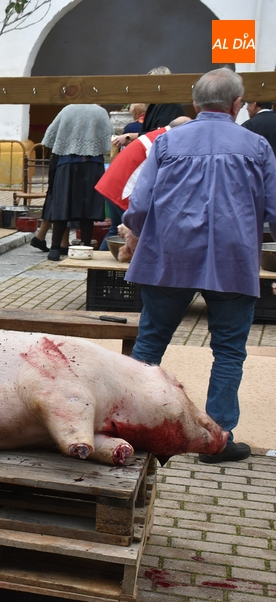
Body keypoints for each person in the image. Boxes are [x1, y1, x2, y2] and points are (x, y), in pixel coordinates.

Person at [121, 68, 276, 463]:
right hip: (233, 259)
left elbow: (139, 204)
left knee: (151, 343)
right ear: (237, 105)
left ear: (194, 103)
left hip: (169, 256)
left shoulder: (168, 143)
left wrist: (134, 235)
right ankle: (218, 438)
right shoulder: (257, 146)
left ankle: (136, 426)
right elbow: (275, 210)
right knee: (228, 351)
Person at [97, 116, 192, 252]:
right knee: (134, 230)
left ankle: (101, 263)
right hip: (124, 187)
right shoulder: (165, 140)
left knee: (116, 229)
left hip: (112, 182)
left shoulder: (157, 135)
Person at [40, 104, 113, 261]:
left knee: (62, 203)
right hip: (93, 164)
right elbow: (109, 140)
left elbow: (49, 136)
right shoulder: (100, 111)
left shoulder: (67, 109)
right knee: (89, 206)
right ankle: (85, 247)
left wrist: (67, 142)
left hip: (67, 163)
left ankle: (54, 249)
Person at [140, 66, 184, 134]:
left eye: (151, 84)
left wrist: (131, 136)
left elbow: (160, 133)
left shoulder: (170, 105)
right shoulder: (153, 105)